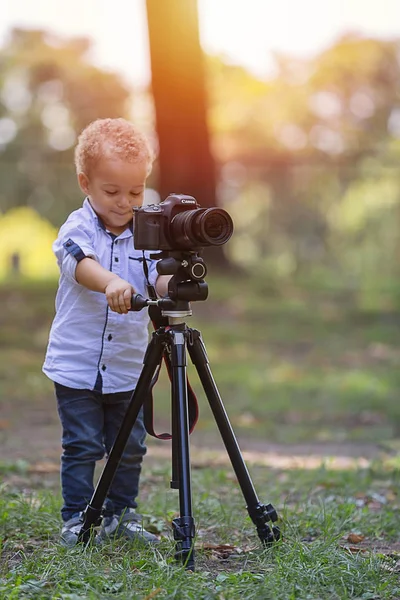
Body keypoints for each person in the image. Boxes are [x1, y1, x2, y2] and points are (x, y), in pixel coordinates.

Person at [43, 118, 170, 547]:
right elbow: (79, 263)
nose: (124, 202)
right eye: (112, 192)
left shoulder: (148, 234)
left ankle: (121, 514)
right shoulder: (77, 228)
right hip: (77, 366)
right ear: (86, 182)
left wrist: (177, 281)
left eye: (135, 192)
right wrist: (111, 282)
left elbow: (159, 279)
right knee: (82, 445)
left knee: (129, 446)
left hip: (129, 367)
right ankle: (78, 517)